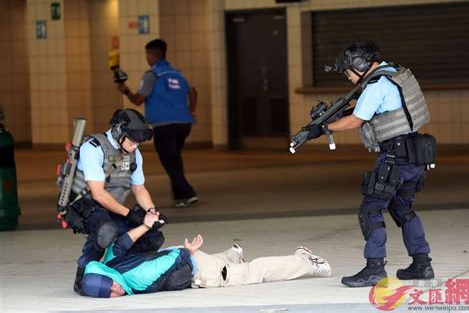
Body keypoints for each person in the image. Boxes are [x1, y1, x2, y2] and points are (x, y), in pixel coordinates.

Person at [307, 41, 436, 287]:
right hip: (416, 154)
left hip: (395, 158)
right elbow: (378, 109)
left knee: (371, 209)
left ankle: (374, 269)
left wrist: (322, 128)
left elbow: (357, 120)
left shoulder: (377, 85)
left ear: (360, 64)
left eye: (348, 71)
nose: (348, 77)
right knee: (402, 209)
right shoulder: (397, 73)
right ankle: (422, 264)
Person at [81, 213, 332, 298]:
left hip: (196, 268)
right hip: (186, 258)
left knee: (254, 273)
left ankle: (305, 261)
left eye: (112, 286)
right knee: (219, 264)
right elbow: (121, 245)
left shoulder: (134, 278)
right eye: (110, 292)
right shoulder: (109, 266)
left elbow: (158, 268)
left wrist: (185, 252)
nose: (117, 290)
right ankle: (230, 256)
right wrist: (145, 226)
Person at [68, 108, 166, 295]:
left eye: (139, 142)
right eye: (133, 141)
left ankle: (122, 269)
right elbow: (98, 194)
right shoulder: (93, 148)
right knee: (105, 230)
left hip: (113, 207)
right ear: (118, 132)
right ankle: (83, 274)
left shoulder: (133, 153)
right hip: (86, 206)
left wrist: (152, 212)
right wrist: (130, 214)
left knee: (152, 236)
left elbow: (139, 188)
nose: (136, 146)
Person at [116, 38, 198, 208]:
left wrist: (125, 91)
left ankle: (188, 193)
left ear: (152, 55)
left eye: (147, 55)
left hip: (164, 125)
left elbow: (138, 100)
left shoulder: (151, 75)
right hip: (184, 124)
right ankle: (180, 196)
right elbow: (193, 91)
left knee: (169, 160)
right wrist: (191, 110)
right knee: (174, 158)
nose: (147, 58)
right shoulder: (177, 73)